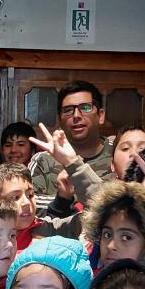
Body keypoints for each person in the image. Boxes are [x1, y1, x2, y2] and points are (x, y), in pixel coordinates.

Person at [28, 81, 114, 211]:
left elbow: (126, 204)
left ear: (100, 116)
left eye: (85, 107)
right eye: (68, 110)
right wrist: (63, 200)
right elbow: (26, 205)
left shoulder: (118, 152)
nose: (76, 116)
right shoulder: (43, 160)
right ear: (59, 119)